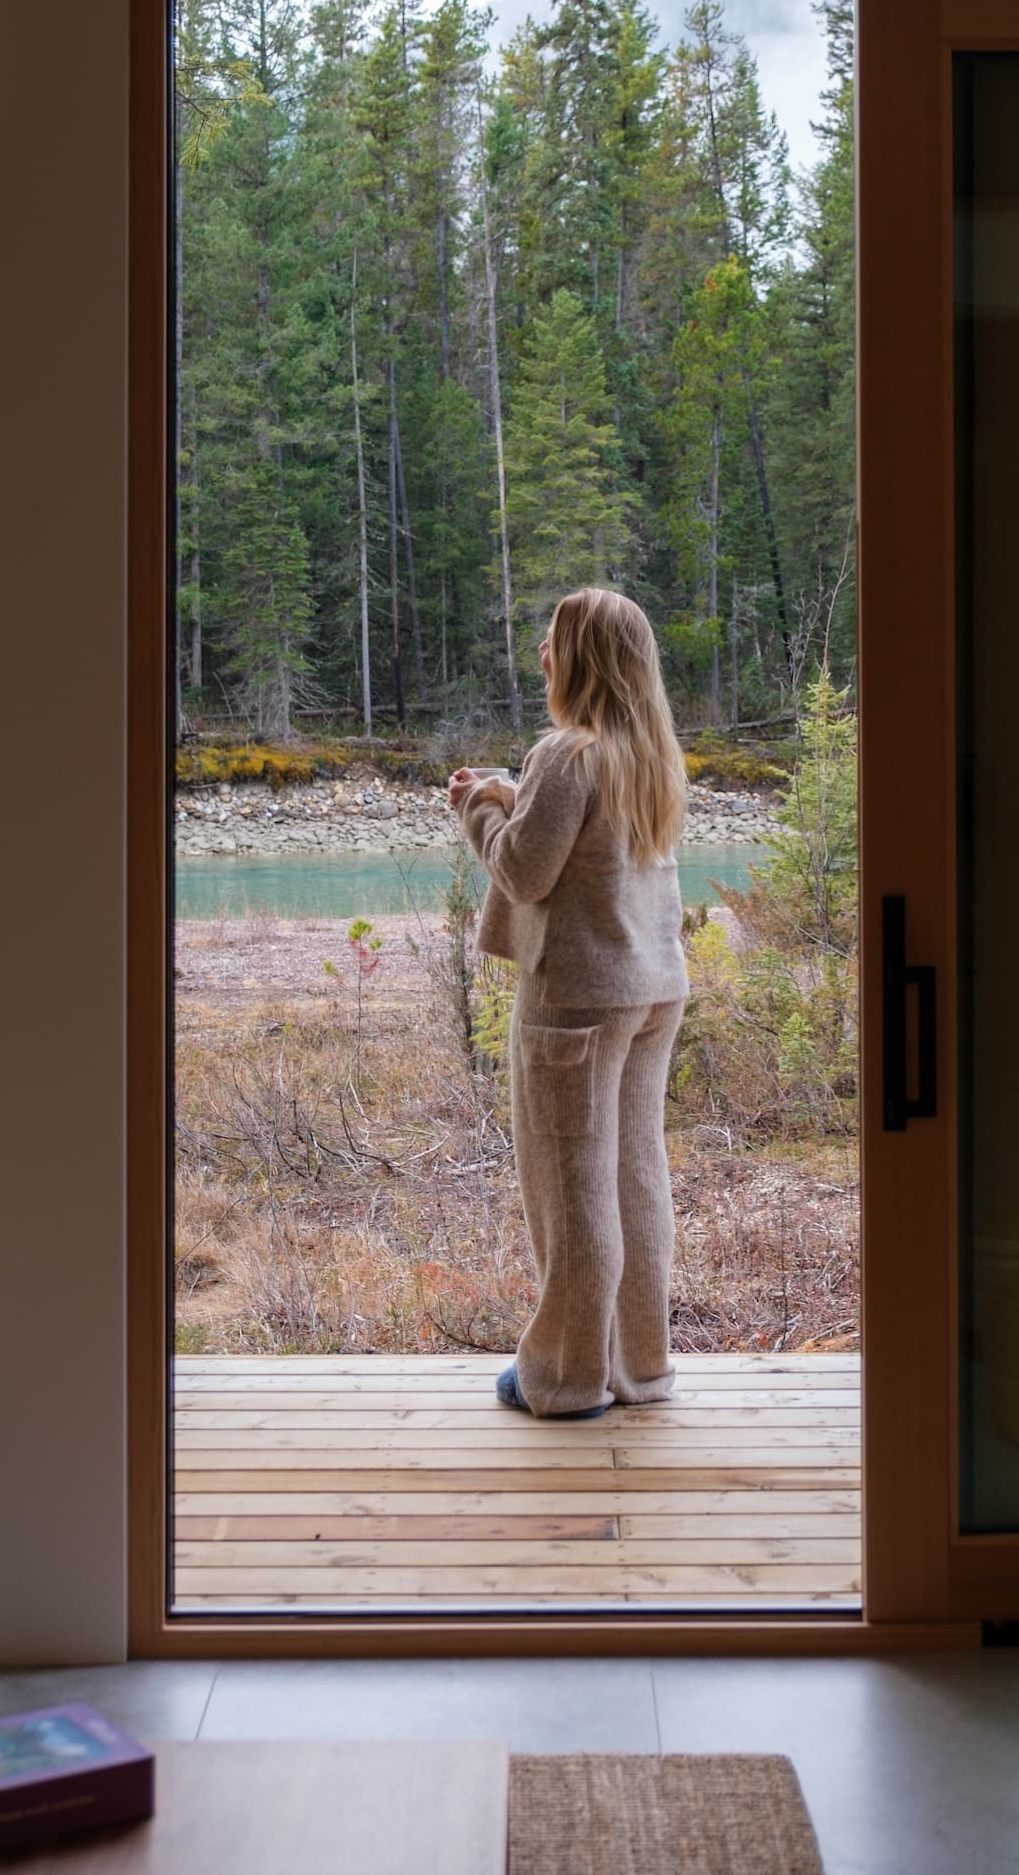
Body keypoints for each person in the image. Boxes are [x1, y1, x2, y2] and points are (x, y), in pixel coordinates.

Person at [448, 587, 689, 1420]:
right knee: (634, 1180)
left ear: (578, 656)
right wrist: (514, 800)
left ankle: (565, 1377)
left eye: (551, 642)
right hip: (652, 989)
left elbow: (523, 874)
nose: (541, 656)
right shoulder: (647, 755)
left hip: (578, 999)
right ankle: (640, 1369)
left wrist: (480, 806)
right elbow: (582, 855)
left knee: (572, 1188)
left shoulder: (568, 751)